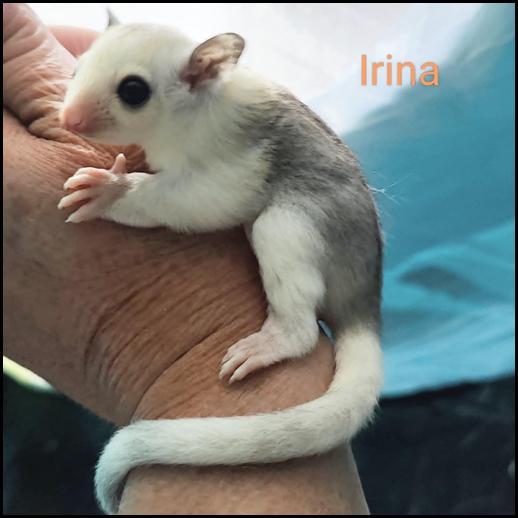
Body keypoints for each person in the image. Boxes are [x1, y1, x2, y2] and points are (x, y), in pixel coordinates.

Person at [3, 4, 369, 513]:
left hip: (326, 232)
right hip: (314, 228)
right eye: (81, 71)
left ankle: (293, 330)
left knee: (279, 221)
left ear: (203, 74)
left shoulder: (211, 125)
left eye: (132, 92)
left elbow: (216, 201)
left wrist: (125, 197)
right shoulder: (193, 115)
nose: (73, 118)